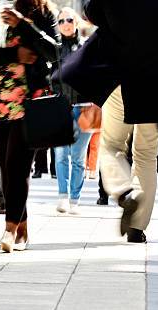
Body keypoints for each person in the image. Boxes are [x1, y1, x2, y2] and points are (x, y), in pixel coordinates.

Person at [62, 0, 158, 243]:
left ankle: (124, 191)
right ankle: (137, 228)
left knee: (111, 144)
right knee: (146, 154)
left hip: (121, 77)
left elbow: (92, 12)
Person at [0, 0, 58, 253]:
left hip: (29, 100)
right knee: (7, 165)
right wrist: (13, 55)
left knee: (18, 164)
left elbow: (54, 51)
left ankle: (10, 228)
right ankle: (22, 227)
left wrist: (24, 25)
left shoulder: (42, 12)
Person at [53, 7, 92, 215]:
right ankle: (62, 197)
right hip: (60, 108)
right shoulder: (54, 48)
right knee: (60, 155)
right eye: (61, 21)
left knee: (78, 157)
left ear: (75, 22)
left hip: (84, 108)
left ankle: (75, 199)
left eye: (69, 19)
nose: (65, 24)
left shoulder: (86, 47)